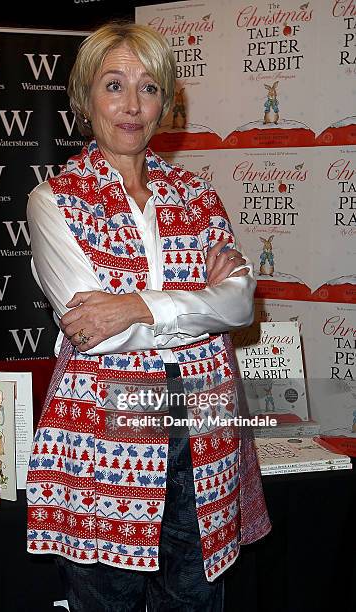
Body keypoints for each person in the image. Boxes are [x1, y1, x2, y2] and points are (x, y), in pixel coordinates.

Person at [26, 22, 271, 612]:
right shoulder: (53, 200)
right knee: (107, 598)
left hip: (206, 418)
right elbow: (91, 331)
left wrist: (136, 306)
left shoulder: (196, 193)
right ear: (85, 98)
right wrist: (199, 305)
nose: (134, 105)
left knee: (196, 594)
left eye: (150, 87)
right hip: (106, 427)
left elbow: (239, 304)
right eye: (115, 85)